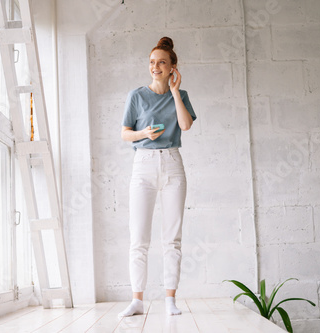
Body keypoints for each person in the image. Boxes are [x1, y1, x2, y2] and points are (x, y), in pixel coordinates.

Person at [119, 36, 197, 317]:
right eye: (152, 62)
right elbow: (125, 132)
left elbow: (185, 126)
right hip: (143, 164)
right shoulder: (136, 96)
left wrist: (175, 92)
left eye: (161, 62)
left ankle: (170, 299)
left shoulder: (182, 94)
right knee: (138, 238)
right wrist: (143, 134)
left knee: (172, 238)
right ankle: (137, 300)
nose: (155, 67)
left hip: (173, 164)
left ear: (173, 67)